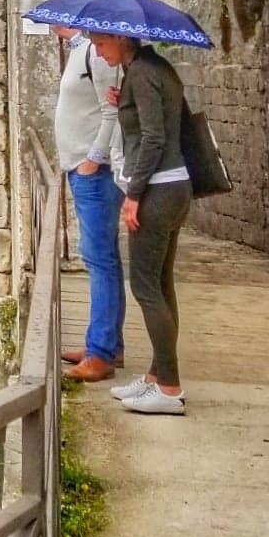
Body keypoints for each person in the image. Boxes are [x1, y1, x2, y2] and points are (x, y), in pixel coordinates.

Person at [89, 30, 192, 416]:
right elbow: (158, 117)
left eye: (101, 44)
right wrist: (125, 106)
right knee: (161, 285)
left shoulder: (143, 73)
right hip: (174, 187)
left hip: (157, 191)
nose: (97, 52)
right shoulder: (153, 68)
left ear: (120, 38)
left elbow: (153, 138)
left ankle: (168, 387)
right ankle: (156, 375)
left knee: (146, 288)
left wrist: (133, 194)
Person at [43, 0, 125, 383]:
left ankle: (102, 352)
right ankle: (104, 342)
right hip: (81, 168)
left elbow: (112, 110)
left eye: (54, 8)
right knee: (99, 258)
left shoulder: (97, 53)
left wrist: (94, 160)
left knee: (100, 258)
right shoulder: (82, 50)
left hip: (96, 173)